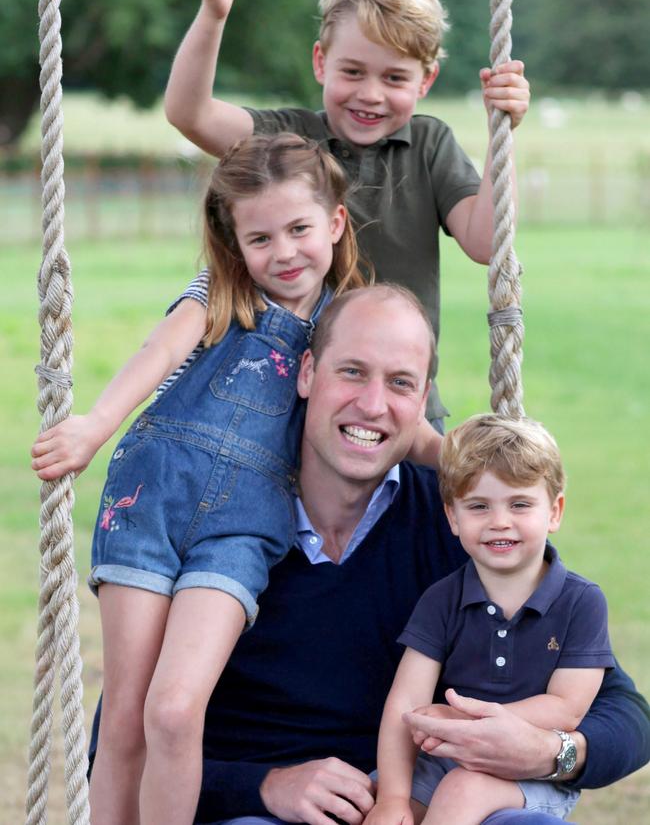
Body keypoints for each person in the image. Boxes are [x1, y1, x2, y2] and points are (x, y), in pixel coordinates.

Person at [80, 285, 646, 825]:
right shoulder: (217, 520)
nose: (373, 405)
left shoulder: (460, 523)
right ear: (306, 374)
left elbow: (624, 715)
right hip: (264, 816)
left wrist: (551, 752)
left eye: (400, 383)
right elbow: (126, 740)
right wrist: (264, 786)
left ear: (422, 401)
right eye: (352, 372)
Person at [31, 133, 375, 825]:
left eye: (299, 229)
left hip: (244, 527)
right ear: (235, 241)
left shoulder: (345, 321)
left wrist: (453, 453)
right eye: (260, 237)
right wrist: (95, 425)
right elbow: (159, 351)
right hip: (150, 498)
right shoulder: (222, 291)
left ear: (336, 224)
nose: (283, 252)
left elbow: (377, 402)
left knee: (176, 707)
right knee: (125, 713)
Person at [164, 0, 531, 430]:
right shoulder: (288, 140)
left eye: (394, 78)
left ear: (426, 80)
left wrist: (503, 132)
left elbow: (486, 243)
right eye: (353, 72)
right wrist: (213, 14)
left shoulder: (429, 146)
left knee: (428, 499)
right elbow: (189, 113)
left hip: (401, 410)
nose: (371, 94)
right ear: (321, 61)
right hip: (288, 409)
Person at [367, 414, 615, 825]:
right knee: (381, 808)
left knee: (464, 792)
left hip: (529, 769)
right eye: (479, 506)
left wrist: (463, 721)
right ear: (452, 517)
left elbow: (567, 708)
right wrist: (392, 798)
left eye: (520, 504)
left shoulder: (581, 602)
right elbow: (406, 704)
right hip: (446, 759)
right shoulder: (442, 599)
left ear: (554, 512)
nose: (500, 521)